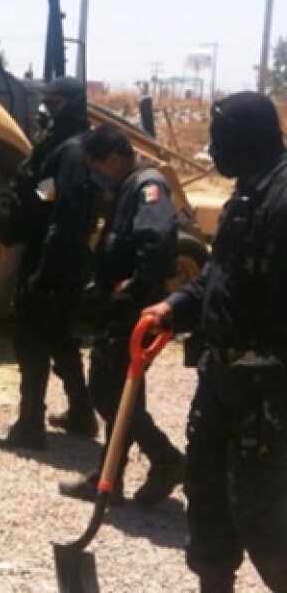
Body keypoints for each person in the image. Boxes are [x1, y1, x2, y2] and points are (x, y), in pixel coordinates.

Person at [143, 92, 287, 593]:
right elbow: (219, 278)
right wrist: (174, 305)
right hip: (221, 379)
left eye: (221, 137)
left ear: (247, 137)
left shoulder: (283, 198)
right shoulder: (244, 195)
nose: (214, 149)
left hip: (267, 388)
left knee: (264, 511)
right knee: (207, 499)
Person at [58, 123, 185, 505]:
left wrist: (132, 288)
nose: (97, 175)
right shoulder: (125, 187)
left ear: (114, 159)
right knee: (119, 392)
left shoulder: (149, 187)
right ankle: (111, 476)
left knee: (112, 391)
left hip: (135, 309)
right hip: (121, 307)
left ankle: (163, 460)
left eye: (99, 165)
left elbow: (158, 242)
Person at [0, 77, 98, 451]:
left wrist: (45, 271)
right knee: (58, 336)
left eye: (55, 104)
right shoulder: (61, 147)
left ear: (73, 105)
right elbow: (46, 194)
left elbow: (67, 215)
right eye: (45, 103)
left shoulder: (72, 150)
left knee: (32, 338)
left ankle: (29, 425)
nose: (47, 111)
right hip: (54, 254)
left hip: (56, 258)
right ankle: (82, 413)